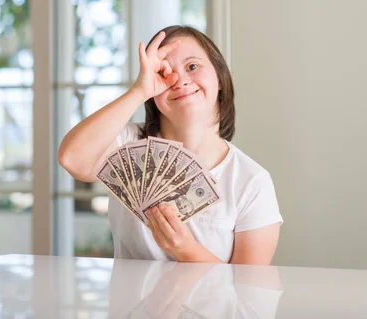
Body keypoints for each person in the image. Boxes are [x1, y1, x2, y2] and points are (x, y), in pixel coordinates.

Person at [58, 25, 283, 265]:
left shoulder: (251, 182)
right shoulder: (127, 143)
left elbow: (248, 293)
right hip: (129, 303)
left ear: (220, 77)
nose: (179, 80)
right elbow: (72, 159)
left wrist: (185, 250)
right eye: (164, 72)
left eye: (192, 66)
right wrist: (140, 90)